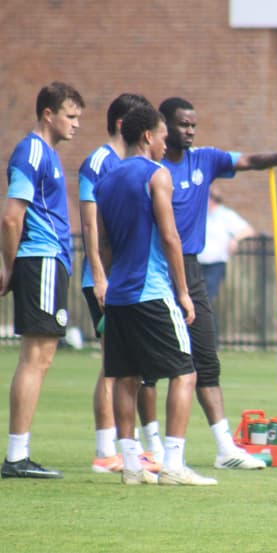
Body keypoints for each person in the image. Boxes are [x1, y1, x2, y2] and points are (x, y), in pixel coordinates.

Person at [140, 96, 277, 471]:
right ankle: (151, 448)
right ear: (164, 127)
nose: (189, 131)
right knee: (149, 367)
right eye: (183, 124)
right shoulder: (147, 168)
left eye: (193, 125)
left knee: (205, 358)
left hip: (191, 269)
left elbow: (248, 161)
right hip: (152, 269)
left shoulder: (205, 159)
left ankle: (225, 447)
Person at [96, 104, 215, 485]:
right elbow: (169, 236)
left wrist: (115, 282)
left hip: (119, 296)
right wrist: (183, 292)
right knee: (186, 373)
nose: (166, 144)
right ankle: (173, 465)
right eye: (163, 136)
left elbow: (104, 242)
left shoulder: (106, 180)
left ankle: (131, 466)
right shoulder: (156, 175)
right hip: (153, 291)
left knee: (125, 377)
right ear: (148, 135)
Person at [1, 82, 85, 479]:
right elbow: (11, 215)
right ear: (48, 114)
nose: (76, 124)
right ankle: (17, 457)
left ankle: (18, 454)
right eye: (70, 115)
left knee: (39, 357)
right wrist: (9, 266)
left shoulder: (46, 154)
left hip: (48, 261)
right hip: (42, 259)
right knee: (37, 357)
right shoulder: (32, 150)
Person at [78, 93, 161, 474]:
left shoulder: (131, 165)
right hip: (109, 281)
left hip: (129, 280)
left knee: (130, 367)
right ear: (124, 124)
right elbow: (92, 225)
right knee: (113, 366)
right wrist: (99, 276)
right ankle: (105, 449)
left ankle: (128, 447)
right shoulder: (100, 163)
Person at [197, 186, 256, 340]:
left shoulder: (225, 215)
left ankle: (211, 339)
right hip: (196, 264)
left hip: (215, 265)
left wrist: (235, 239)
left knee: (205, 300)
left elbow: (248, 230)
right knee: (196, 302)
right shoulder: (198, 214)